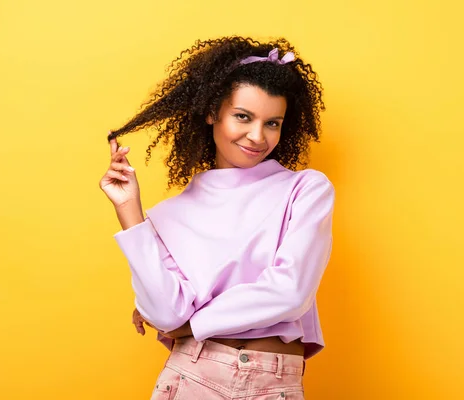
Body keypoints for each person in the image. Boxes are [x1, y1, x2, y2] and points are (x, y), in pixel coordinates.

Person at [99, 36, 334, 399]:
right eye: (243, 117)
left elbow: (290, 291)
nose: (258, 136)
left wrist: (194, 323)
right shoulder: (166, 217)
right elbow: (164, 313)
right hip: (189, 379)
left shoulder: (305, 190)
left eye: (273, 123)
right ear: (212, 112)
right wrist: (129, 211)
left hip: (273, 383)